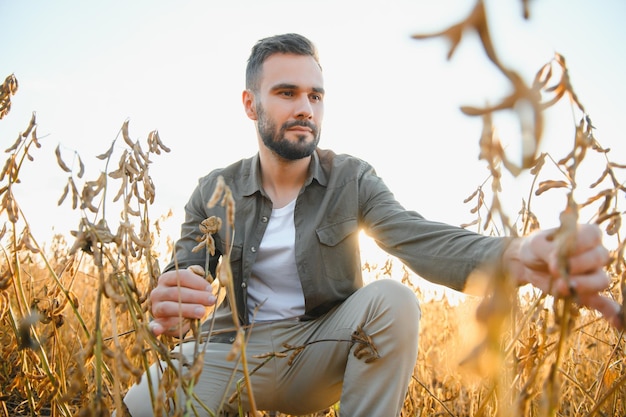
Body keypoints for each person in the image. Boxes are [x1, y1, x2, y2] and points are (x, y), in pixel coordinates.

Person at [121, 33, 622, 416]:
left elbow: (415, 235)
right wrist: (171, 292)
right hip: (232, 354)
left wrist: (511, 255)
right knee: (134, 406)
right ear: (251, 104)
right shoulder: (214, 188)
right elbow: (184, 270)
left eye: (316, 95)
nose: (305, 108)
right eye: (287, 92)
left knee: (393, 300)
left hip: (318, 351)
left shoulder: (352, 177)